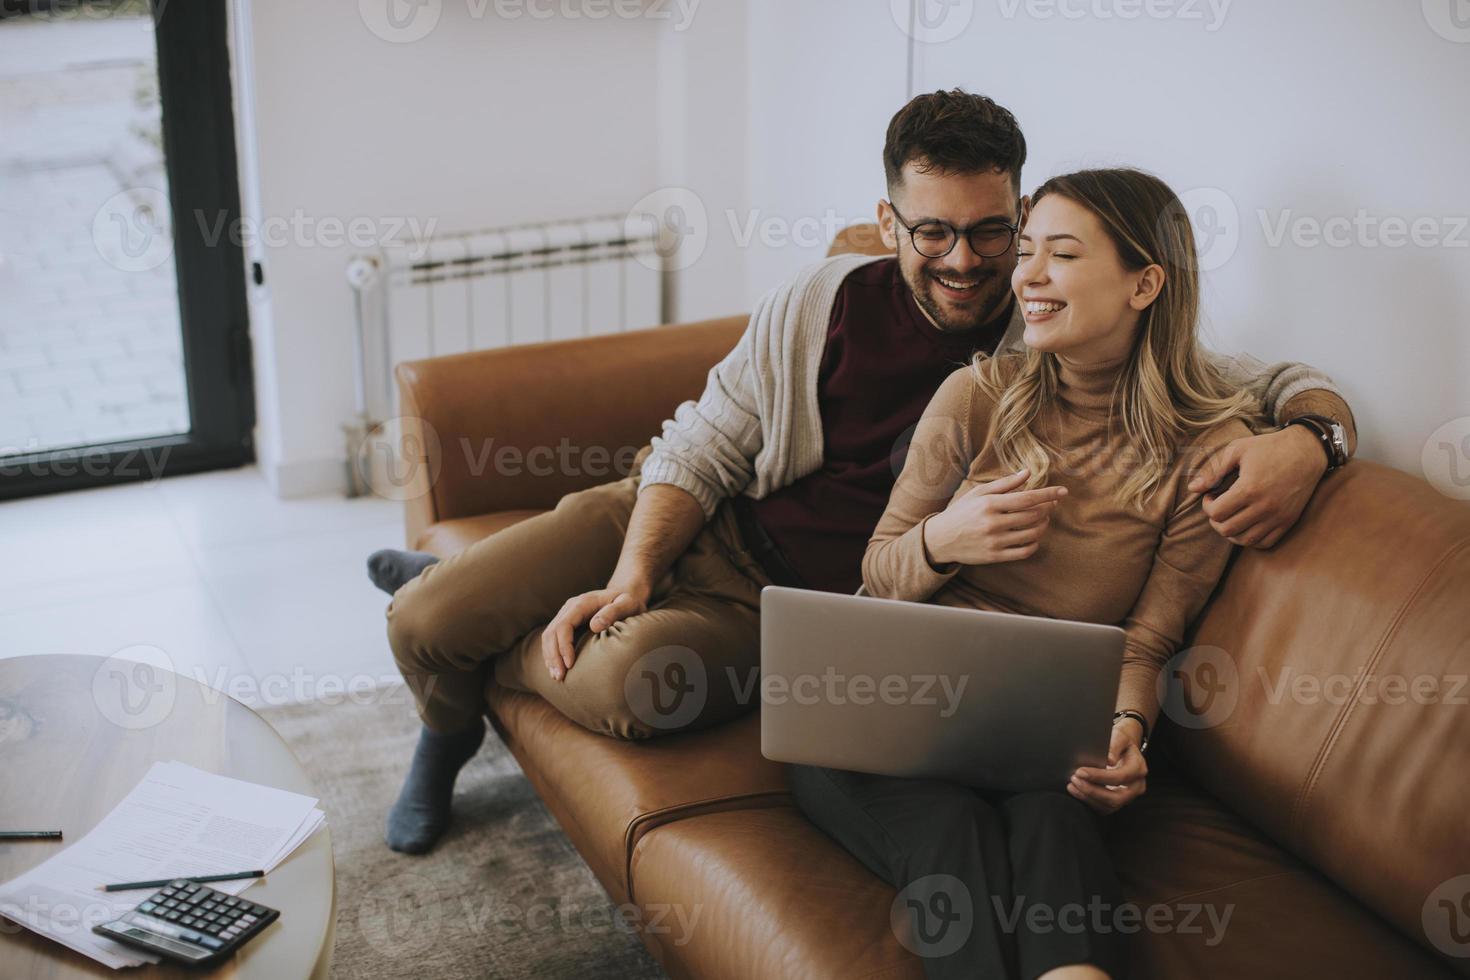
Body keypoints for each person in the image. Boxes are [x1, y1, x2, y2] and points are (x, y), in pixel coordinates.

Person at [374, 89, 1357, 855]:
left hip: (791, 607)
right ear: (888, 223)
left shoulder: (1055, 323)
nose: (966, 261)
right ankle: (448, 711)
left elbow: (1270, 381)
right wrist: (633, 571)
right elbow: (706, 439)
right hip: (689, 512)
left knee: (631, 683)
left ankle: (477, 648)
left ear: (1020, 215)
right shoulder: (822, 301)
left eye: (991, 230)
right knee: (420, 621)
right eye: (933, 231)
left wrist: (1312, 444)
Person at [791, 167, 1263, 980]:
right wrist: (946, 538)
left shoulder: (1206, 450)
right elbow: (880, 571)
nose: (1028, 277)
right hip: (884, 716)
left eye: (1063, 255)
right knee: (953, 835)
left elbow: (1149, 640)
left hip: (1036, 741)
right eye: (1029, 251)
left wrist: (1129, 732)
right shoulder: (975, 395)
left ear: (1144, 283)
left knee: (1057, 819)